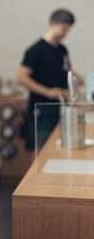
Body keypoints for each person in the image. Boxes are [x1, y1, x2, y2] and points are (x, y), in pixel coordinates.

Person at [18, 9, 81, 151]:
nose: (66, 33)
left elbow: (69, 72)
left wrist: (86, 80)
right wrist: (48, 92)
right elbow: (21, 77)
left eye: (69, 29)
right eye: (64, 28)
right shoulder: (36, 50)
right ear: (52, 24)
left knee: (58, 150)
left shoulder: (62, 50)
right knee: (39, 153)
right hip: (41, 109)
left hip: (60, 109)